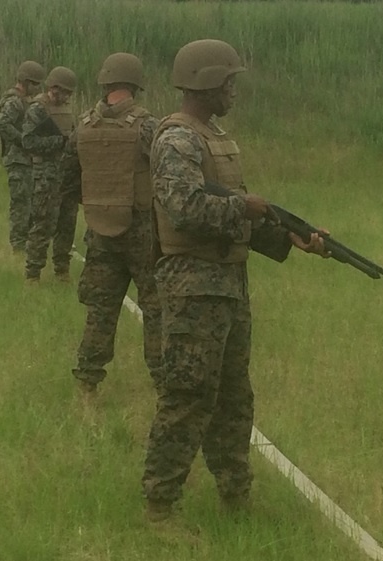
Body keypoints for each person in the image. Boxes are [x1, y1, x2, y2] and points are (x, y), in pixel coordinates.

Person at [141, 39, 328, 522]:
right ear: (205, 83)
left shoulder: (213, 137)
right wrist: (241, 207)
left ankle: (235, 496)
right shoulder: (178, 139)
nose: (234, 90)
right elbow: (182, 209)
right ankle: (160, 506)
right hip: (192, 289)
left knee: (233, 398)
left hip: (227, 287)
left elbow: (233, 217)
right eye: (229, 81)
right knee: (187, 396)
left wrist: (291, 237)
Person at [66, 53, 162, 396]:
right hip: (143, 233)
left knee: (100, 311)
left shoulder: (82, 126)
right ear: (135, 85)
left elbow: (69, 180)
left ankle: (87, 386)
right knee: (156, 308)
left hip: (100, 231)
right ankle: (163, 385)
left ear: (104, 84)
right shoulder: (148, 126)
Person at [21, 66, 79, 283]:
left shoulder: (66, 110)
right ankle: (33, 273)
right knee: (43, 224)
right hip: (45, 175)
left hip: (66, 175)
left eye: (68, 94)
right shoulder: (38, 109)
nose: (65, 97)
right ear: (52, 88)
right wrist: (60, 141)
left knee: (67, 223)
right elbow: (28, 141)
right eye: (62, 92)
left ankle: (62, 269)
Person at [0, 60, 45, 254]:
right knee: (21, 204)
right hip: (18, 161)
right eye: (35, 84)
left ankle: (26, 245)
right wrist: (24, 141)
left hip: (25, 161)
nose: (38, 88)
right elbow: (1, 124)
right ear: (26, 82)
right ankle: (18, 246)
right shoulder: (14, 101)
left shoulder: (23, 101)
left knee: (30, 204)